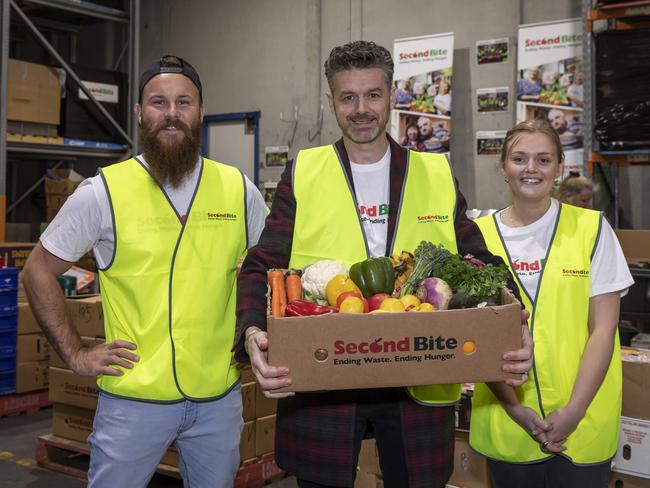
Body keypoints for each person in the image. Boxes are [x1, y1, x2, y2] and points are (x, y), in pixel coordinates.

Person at [235, 40, 534, 488]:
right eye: (347, 96)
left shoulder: (434, 171)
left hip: (420, 372)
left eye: (373, 94)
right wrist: (254, 330)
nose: (361, 108)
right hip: (326, 373)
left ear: (392, 96)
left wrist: (511, 321)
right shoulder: (304, 171)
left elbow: (478, 258)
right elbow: (262, 262)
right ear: (330, 100)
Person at [22, 55, 268, 488]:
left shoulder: (237, 189)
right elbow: (38, 271)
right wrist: (76, 356)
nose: (171, 114)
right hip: (132, 401)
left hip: (218, 399)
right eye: (158, 102)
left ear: (201, 111)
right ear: (138, 113)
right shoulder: (102, 193)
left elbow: (269, 272)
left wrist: (258, 335)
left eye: (184, 103)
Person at [469, 119, 634, 488]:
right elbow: (475, 337)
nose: (531, 169)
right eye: (520, 159)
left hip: (584, 421)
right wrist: (514, 407)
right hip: (507, 420)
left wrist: (574, 411)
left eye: (544, 160)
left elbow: (604, 329)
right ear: (503, 167)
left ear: (559, 167)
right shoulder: (476, 239)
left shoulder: (592, 229)